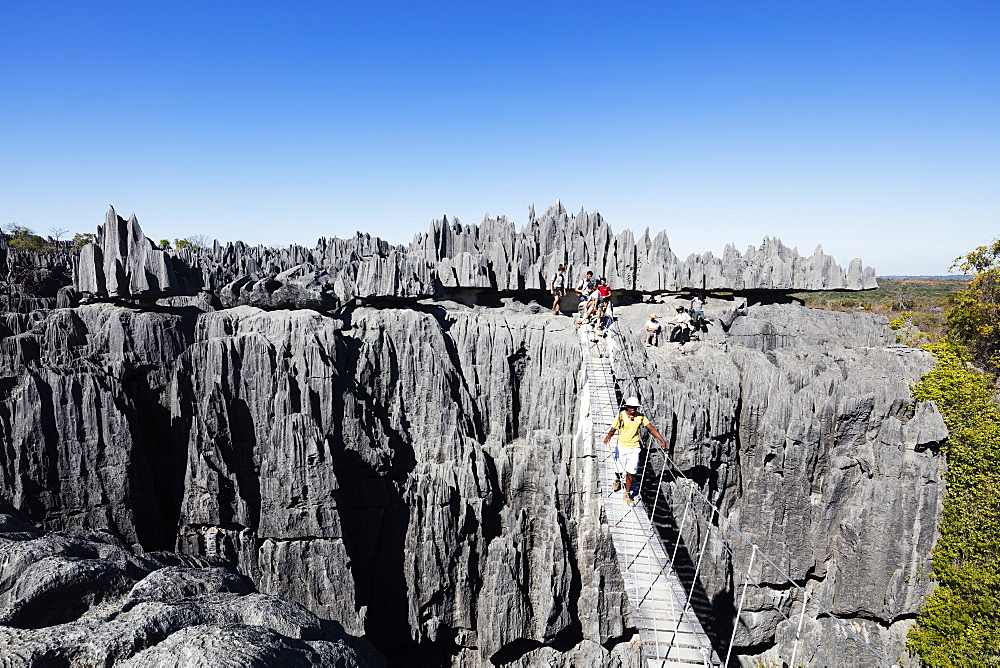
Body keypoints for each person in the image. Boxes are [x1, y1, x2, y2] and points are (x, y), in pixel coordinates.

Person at [603, 396, 667, 504]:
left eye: (635, 407)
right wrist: (609, 435)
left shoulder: (641, 417)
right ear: (627, 407)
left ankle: (627, 493)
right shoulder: (621, 416)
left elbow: (651, 429)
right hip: (622, 446)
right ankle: (618, 479)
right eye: (631, 407)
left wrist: (662, 441)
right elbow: (614, 428)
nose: (633, 409)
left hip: (634, 448)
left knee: (631, 471)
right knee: (618, 469)